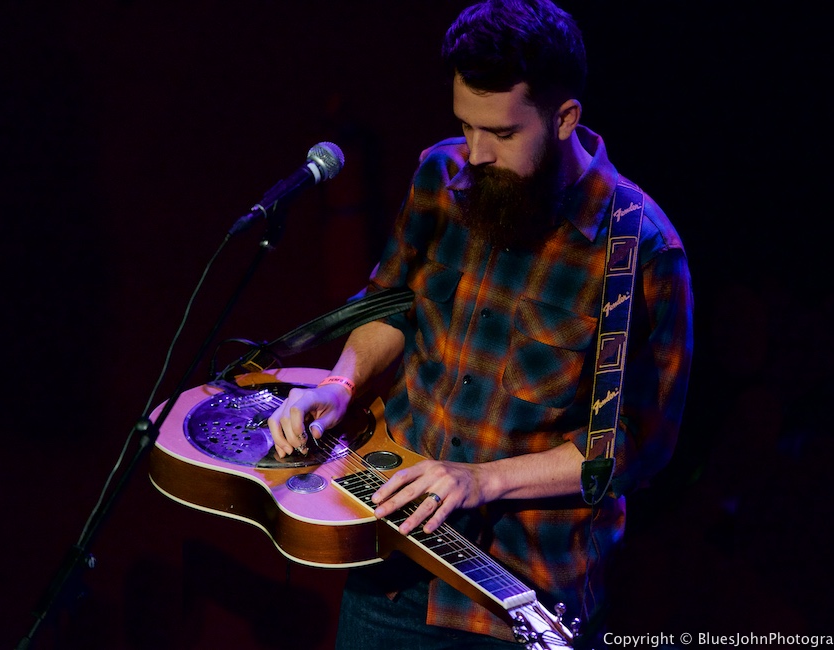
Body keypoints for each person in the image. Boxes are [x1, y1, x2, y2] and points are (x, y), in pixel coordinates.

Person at [268, 1, 693, 647]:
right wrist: (340, 385)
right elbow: (392, 305)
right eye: (464, 126)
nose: (475, 152)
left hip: (520, 596)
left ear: (563, 119)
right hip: (390, 563)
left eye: (499, 133)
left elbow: (634, 449)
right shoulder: (441, 177)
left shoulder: (638, 252)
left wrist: (482, 479)